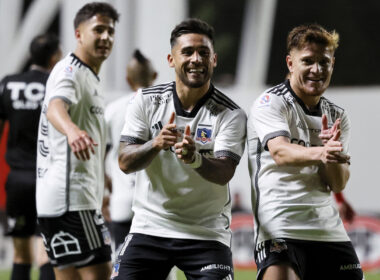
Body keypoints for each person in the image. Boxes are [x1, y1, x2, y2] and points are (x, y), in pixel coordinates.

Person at [115, 18, 246, 280]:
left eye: (203, 53)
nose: (196, 59)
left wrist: (196, 159)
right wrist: (156, 143)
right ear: (171, 59)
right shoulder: (146, 101)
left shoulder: (231, 114)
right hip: (150, 228)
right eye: (187, 52)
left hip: (206, 233)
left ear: (214, 60)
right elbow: (125, 162)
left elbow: (224, 172)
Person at [247, 24, 363, 280]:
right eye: (308, 61)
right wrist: (321, 152)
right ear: (290, 63)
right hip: (279, 224)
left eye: (324, 62)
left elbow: (337, 182)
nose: (317, 69)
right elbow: (280, 152)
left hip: (327, 229)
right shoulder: (271, 102)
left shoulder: (337, 115)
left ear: (333, 64)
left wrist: (331, 157)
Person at [35, 2, 119, 280]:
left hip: (59, 199)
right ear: (79, 33)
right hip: (73, 201)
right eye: (98, 30)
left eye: (110, 31)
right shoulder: (69, 70)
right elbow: (55, 106)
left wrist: (102, 174)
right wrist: (71, 130)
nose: (106, 37)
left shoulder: (89, 76)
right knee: (101, 274)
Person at [0, 33, 61, 280]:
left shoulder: (8, 84)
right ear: (55, 56)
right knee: (46, 252)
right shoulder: (58, 85)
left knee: (20, 255)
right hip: (49, 178)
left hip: (18, 180)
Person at [104, 49, 157, 251]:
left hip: (122, 199)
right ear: (154, 76)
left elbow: (100, 156)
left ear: (127, 79)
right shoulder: (164, 107)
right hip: (156, 203)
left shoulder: (113, 110)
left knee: (124, 266)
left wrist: (106, 189)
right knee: (162, 268)